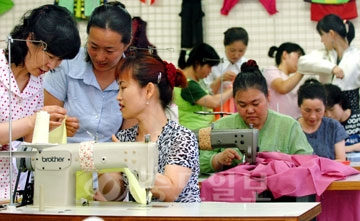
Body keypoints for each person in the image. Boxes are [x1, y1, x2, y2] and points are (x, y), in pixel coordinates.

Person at [0, 4, 81, 201]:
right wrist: (32, 121)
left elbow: (26, 144)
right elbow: (26, 124)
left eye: (59, 61)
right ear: (30, 40)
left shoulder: (36, 82)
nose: (51, 66)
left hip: (13, 191)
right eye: (51, 56)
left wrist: (51, 126)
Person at [95, 53, 200, 203]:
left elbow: (170, 192)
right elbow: (114, 196)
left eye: (123, 87)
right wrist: (104, 165)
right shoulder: (125, 138)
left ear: (148, 91)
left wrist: (131, 159)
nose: (118, 96)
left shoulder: (182, 137)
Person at [200, 60, 313, 174]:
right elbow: (199, 162)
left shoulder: (288, 126)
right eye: (242, 105)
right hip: (237, 189)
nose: (249, 110)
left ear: (268, 96)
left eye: (255, 104)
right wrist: (217, 159)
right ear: (234, 101)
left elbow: (306, 162)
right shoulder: (222, 125)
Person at [44, 1, 133, 143]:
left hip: (110, 160)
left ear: (127, 44)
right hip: (65, 157)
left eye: (109, 50)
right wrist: (59, 128)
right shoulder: (65, 64)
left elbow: (127, 138)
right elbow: (45, 124)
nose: (99, 57)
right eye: (93, 46)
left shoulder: (133, 76)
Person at [298, 13, 360, 111]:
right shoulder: (323, 54)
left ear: (331, 33)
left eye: (322, 35)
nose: (321, 40)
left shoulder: (357, 56)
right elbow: (301, 63)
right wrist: (331, 68)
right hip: (327, 108)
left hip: (351, 111)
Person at [174, 42, 233, 130]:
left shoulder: (196, 81)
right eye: (209, 67)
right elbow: (213, 102)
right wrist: (234, 89)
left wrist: (220, 79)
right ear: (198, 64)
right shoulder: (187, 85)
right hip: (192, 133)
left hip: (200, 131)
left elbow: (208, 93)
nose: (210, 71)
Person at [202, 27, 249, 119]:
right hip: (217, 112)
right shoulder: (214, 64)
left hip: (242, 110)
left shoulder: (247, 65)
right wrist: (220, 80)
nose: (236, 55)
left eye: (241, 51)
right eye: (232, 50)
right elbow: (206, 93)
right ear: (225, 46)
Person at [297, 78, 347, 161]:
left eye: (318, 110)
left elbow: (341, 160)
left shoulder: (334, 127)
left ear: (325, 106)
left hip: (330, 173)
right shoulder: (292, 128)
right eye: (307, 110)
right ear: (299, 106)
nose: (313, 116)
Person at [263, 42, 305, 119]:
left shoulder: (294, 79)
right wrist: (302, 71)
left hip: (294, 122)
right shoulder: (271, 70)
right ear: (285, 54)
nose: (300, 61)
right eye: (298, 56)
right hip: (277, 122)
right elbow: (282, 88)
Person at [324, 83, 360, 152]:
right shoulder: (324, 124)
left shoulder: (358, 117)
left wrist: (347, 149)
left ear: (341, 103)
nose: (328, 115)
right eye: (324, 111)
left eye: (331, 109)